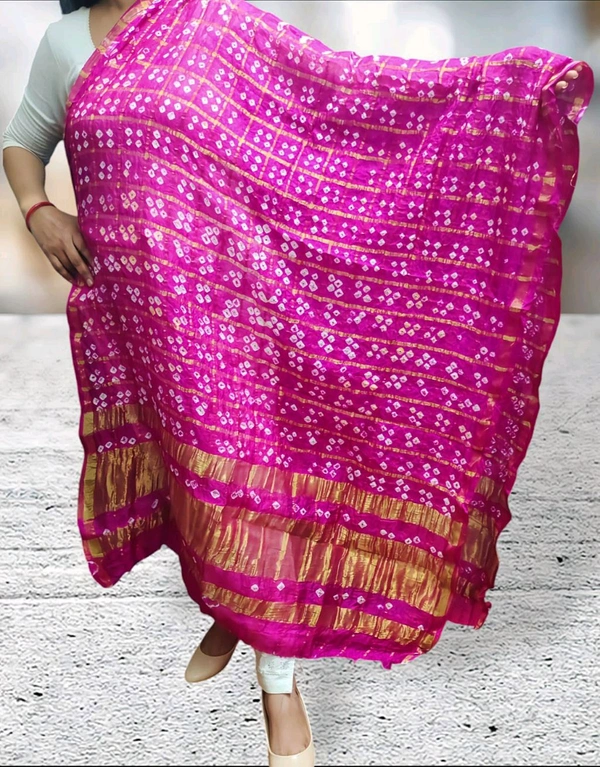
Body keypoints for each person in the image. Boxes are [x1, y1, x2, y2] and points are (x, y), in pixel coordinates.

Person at [2, 0, 589, 765]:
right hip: (143, 323)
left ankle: (278, 689)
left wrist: (502, 85)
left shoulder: (208, 22)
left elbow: (338, 89)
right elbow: (22, 141)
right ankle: (234, 608)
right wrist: (39, 209)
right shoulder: (61, 44)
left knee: (254, 484)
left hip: (234, 307)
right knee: (200, 483)